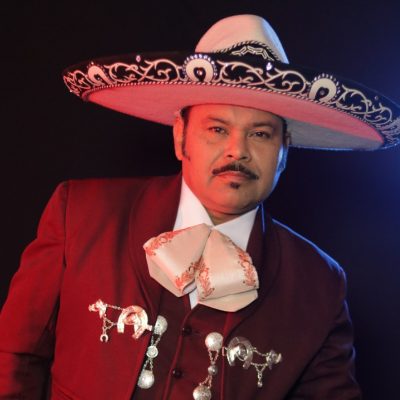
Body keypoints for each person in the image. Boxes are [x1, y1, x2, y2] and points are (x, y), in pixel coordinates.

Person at [0, 14, 399, 400]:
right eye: (217, 129)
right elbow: (13, 360)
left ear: (284, 152)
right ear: (181, 137)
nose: (238, 151)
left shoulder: (320, 285)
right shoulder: (82, 214)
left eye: (261, 134)